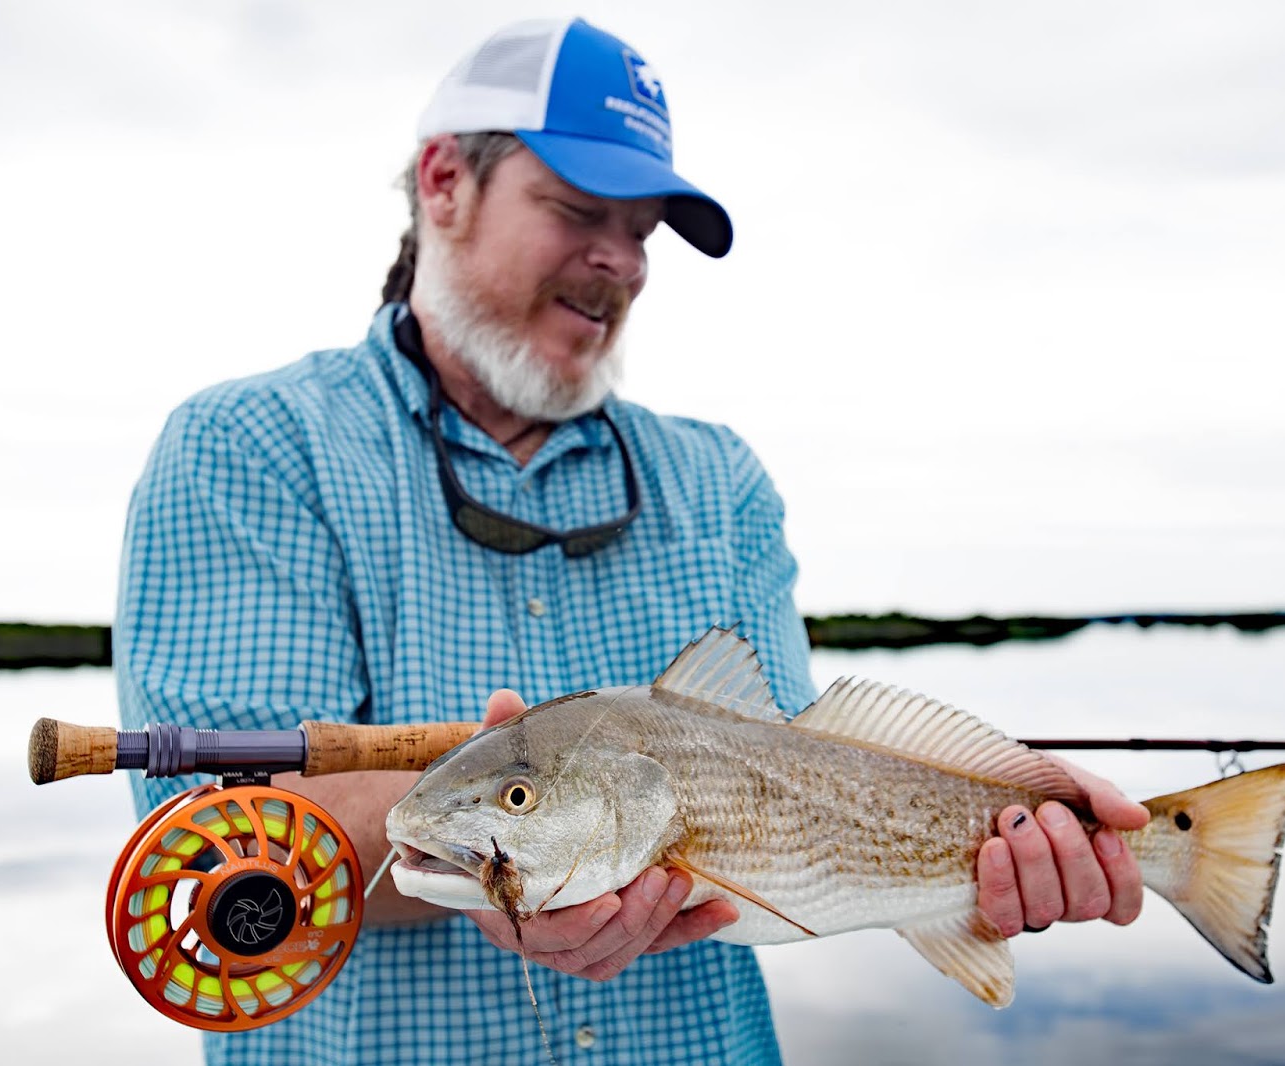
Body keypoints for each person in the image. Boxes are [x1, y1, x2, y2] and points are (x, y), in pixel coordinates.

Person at [115, 16, 1148, 1065]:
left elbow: (801, 800)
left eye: (644, 228)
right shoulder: (249, 446)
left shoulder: (720, 479)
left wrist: (1013, 840)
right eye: (577, 209)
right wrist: (526, 848)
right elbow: (208, 843)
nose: (620, 261)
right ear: (442, 184)